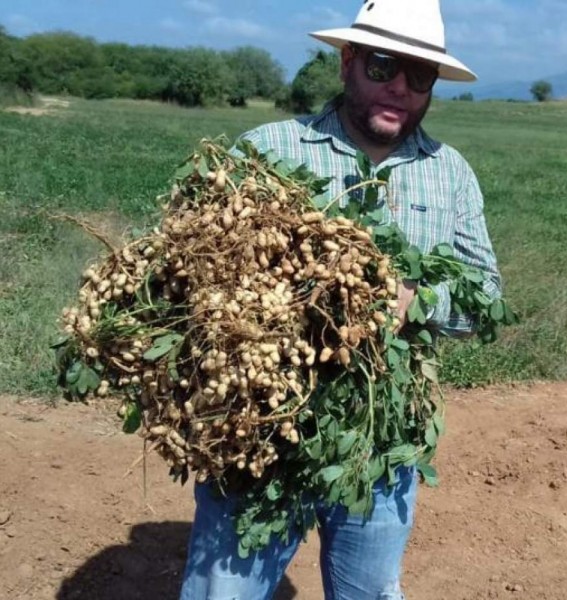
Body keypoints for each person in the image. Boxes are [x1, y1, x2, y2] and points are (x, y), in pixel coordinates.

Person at [180, 1, 501, 598]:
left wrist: (419, 300)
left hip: (381, 439)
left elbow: (487, 297)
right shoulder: (264, 150)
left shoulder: (449, 172)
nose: (401, 88)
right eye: (383, 66)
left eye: (420, 75)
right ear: (347, 62)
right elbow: (193, 277)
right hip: (260, 431)